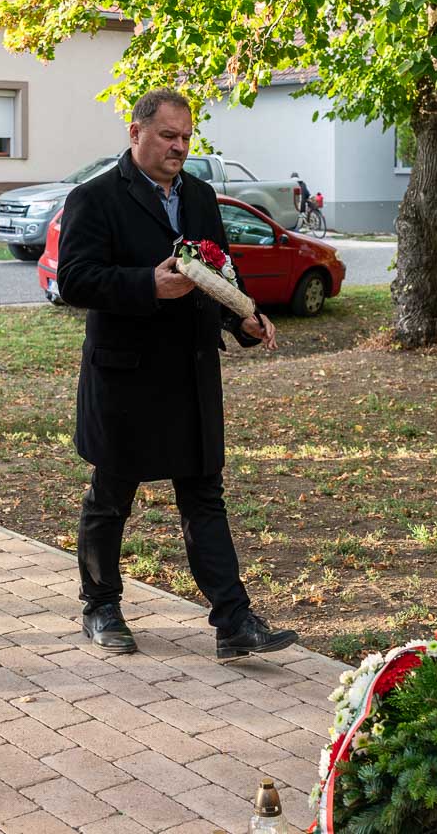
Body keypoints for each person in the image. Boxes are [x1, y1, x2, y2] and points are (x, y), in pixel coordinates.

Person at [56, 87, 296, 661]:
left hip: (191, 372)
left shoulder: (201, 196)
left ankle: (233, 621)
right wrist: (147, 284)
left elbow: (220, 271)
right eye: (168, 135)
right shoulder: (94, 198)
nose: (180, 147)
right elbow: (74, 279)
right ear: (135, 132)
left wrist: (243, 317)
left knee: (204, 495)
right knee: (112, 495)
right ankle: (100, 605)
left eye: (186, 137)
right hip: (126, 376)